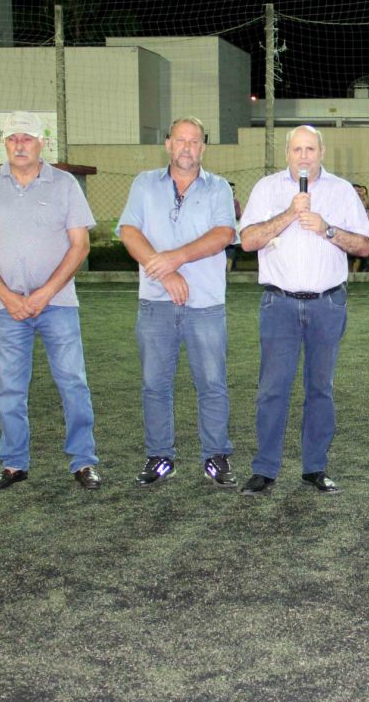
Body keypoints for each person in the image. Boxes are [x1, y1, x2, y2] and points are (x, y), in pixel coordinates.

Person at [0, 111, 102, 491]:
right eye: (12, 139)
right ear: (4, 144)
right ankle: (14, 463)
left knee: (73, 382)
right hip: (6, 308)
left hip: (58, 304)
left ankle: (83, 461)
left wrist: (44, 293)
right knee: (9, 387)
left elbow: (80, 245)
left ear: (43, 143)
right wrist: (7, 296)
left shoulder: (65, 184)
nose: (19, 144)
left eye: (27, 138)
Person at [238, 125, 369, 496]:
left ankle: (314, 467)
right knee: (271, 390)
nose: (303, 156)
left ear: (321, 151)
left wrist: (327, 230)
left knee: (320, 390)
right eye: (297, 149)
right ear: (287, 153)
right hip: (278, 303)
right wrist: (288, 215)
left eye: (310, 149)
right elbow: (247, 240)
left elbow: (363, 245)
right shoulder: (267, 188)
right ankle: (265, 469)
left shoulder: (342, 191)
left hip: (327, 303)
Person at [117, 116, 236, 488]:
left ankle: (216, 456)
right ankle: (159, 456)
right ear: (168, 144)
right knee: (155, 384)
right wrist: (166, 273)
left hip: (206, 305)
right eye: (180, 140)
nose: (187, 147)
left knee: (212, 383)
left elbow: (223, 234)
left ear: (204, 147)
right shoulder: (143, 184)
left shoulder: (218, 188)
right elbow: (129, 231)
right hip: (156, 302)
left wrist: (176, 257)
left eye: (195, 141)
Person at [225, 181, 242, 272]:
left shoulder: (235, 202)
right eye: (231, 189)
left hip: (231, 230)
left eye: (234, 190)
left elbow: (238, 215)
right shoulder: (230, 202)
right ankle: (228, 270)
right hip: (224, 230)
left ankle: (229, 270)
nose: (233, 191)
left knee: (231, 247)